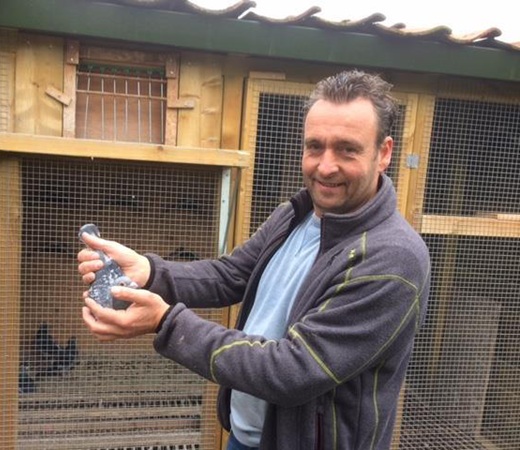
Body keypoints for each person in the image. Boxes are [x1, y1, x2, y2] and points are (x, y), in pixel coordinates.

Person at [77, 69, 431, 450]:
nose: (325, 166)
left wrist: (166, 322)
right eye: (315, 146)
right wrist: (150, 271)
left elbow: (292, 369)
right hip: (247, 436)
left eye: (347, 149)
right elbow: (230, 275)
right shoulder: (296, 215)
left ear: (384, 153)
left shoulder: (392, 259)